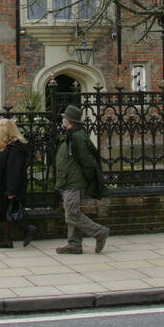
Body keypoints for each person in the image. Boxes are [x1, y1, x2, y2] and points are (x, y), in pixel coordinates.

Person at [54, 104, 110, 254]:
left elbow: (87, 161)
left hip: (75, 181)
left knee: (72, 213)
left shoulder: (77, 136)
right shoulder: (71, 134)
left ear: (69, 120)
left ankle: (99, 232)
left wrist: (86, 179)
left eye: (64, 118)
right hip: (69, 180)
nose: (63, 120)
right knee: (72, 212)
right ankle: (74, 244)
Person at [0, 117, 36, 248]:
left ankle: (27, 229)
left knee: (11, 212)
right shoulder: (5, 147)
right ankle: (7, 240)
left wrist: (11, 191)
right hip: (1, 186)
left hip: (8, 187)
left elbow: (14, 171)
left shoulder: (15, 149)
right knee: (3, 214)